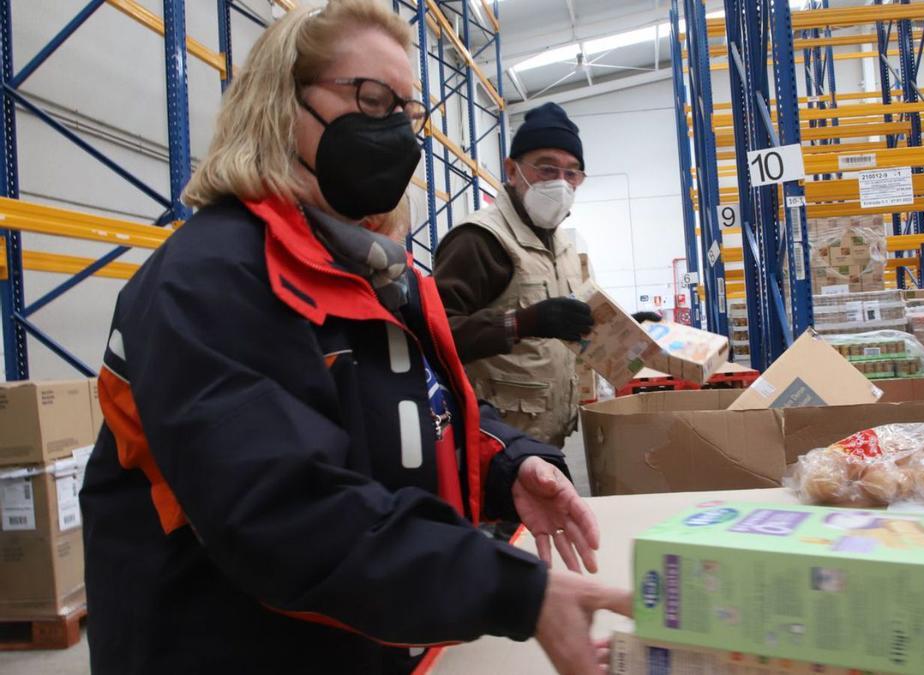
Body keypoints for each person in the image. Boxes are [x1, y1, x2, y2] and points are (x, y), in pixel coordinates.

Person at [79, 3, 628, 674]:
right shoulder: (208, 282)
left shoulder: (371, 271)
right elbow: (284, 512)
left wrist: (509, 463)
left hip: (358, 639)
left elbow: (424, 406)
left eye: (405, 111)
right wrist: (516, 589)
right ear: (282, 104)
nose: (395, 131)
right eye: (371, 100)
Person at [436, 104, 660, 448]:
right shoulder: (480, 240)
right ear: (512, 171)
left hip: (547, 439)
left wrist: (621, 326)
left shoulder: (562, 246)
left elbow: (570, 325)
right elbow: (435, 337)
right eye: (546, 169)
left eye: (572, 173)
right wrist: (520, 324)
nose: (561, 182)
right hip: (491, 445)